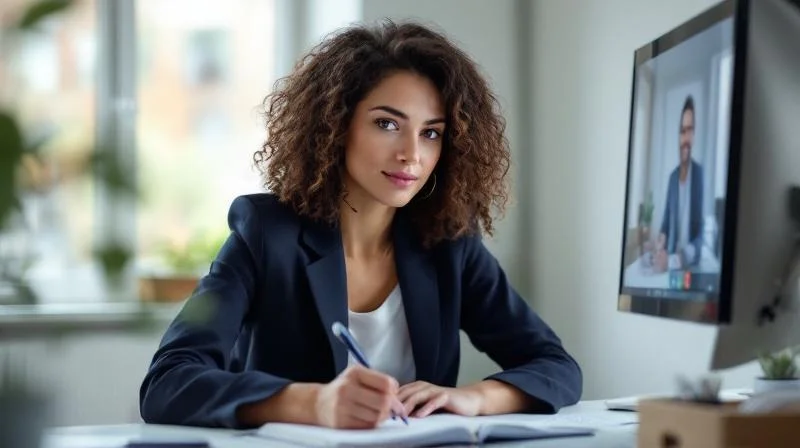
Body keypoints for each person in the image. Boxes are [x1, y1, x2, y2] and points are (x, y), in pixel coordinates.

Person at [139, 20, 582, 430]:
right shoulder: (264, 235)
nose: (412, 153)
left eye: (431, 132)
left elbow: (556, 367)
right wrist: (313, 404)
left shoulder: (450, 244)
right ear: (335, 127)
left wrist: (476, 398)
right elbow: (168, 383)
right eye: (387, 124)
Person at [654, 95, 704, 273]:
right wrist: (660, 240)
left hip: (692, 269)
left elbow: (702, 236)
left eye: (690, 130)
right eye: (682, 131)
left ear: (695, 134)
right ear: (678, 136)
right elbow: (665, 224)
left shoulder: (701, 176)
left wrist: (679, 259)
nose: (686, 138)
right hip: (671, 268)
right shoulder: (672, 178)